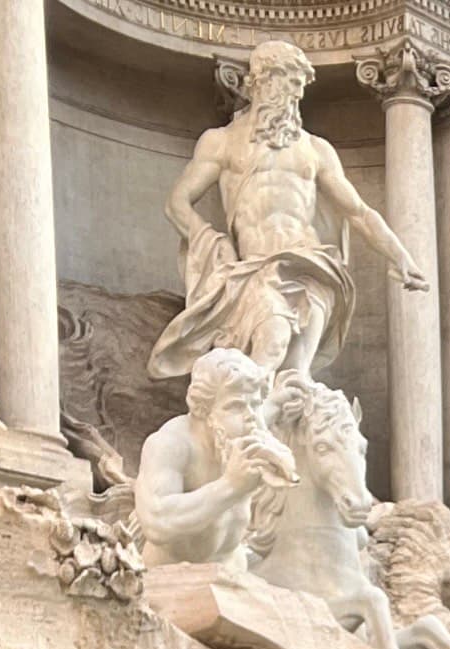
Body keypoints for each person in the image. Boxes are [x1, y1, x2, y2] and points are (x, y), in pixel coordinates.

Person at [148, 40, 427, 384]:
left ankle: (286, 430)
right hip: (258, 269)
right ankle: (234, 427)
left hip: (314, 268)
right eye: (291, 82)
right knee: (270, 348)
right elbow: (177, 202)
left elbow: (358, 211)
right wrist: (213, 242)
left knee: (296, 376)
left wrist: (400, 257)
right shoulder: (222, 142)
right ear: (263, 80)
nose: (297, 94)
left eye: (300, 86)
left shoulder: (316, 150)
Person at [133, 349, 297, 573]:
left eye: (256, 404)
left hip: (232, 570)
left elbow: (288, 466)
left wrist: (277, 403)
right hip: (171, 577)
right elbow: (157, 521)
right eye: (236, 405)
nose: (251, 416)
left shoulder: (242, 431)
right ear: (203, 410)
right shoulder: (171, 444)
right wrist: (231, 485)